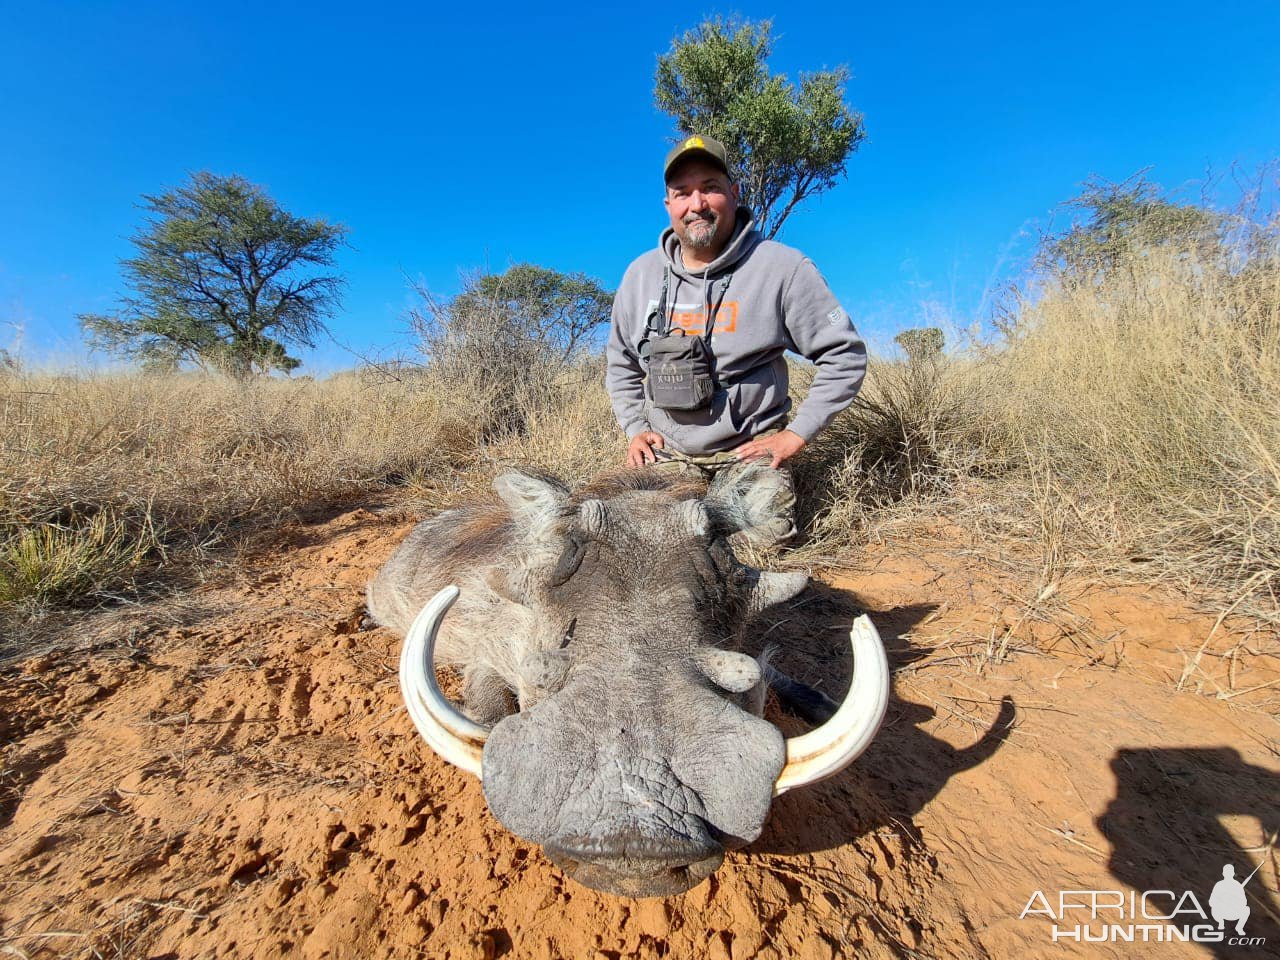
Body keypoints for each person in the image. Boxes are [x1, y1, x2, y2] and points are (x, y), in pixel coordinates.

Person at [605, 134, 867, 542]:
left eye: (710, 188)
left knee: (758, 547)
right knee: (636, 544)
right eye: (682, 193)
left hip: (748, 452)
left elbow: (844, 355)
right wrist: (635, 427)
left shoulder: (783, 267)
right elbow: (621, 362)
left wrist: (795, 435)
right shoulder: (639, 275)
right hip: (668, 451)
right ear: (668, 205)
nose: (697, 204)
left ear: (734, 192)